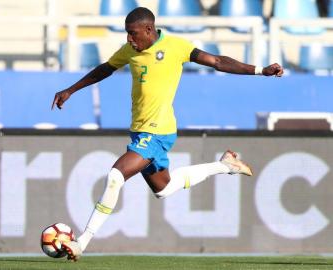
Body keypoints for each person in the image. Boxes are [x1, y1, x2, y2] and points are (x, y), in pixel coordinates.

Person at [51, 7, 283, 261]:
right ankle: (224, 165)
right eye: (127, 34)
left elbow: (217, 61)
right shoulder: (130, 50)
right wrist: (71, 90)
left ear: (149, 30)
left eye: (133, 33)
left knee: (116, 176)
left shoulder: (176, 47)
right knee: (164, 188)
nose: (129, 39)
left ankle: (82, 242)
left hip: (158, 131)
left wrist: (260, 70)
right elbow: (105, 69)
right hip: (140, 132)